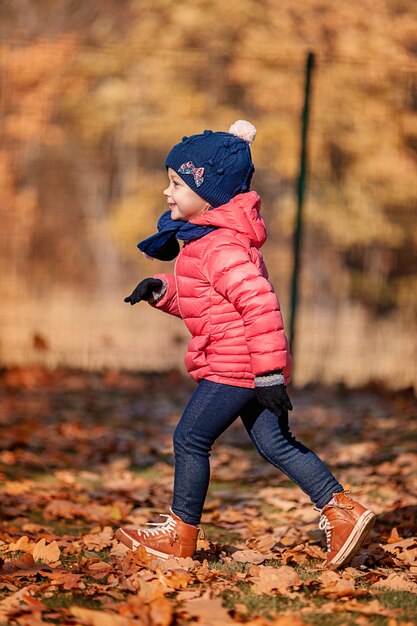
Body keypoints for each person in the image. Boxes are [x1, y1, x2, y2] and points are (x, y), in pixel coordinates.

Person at [116, 120, 376, 570]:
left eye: (177, 183)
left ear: (209, 192)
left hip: (237, 365)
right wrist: (164, 292)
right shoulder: (206, 243)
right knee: (274, 443)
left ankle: (180, 534)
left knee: (191, 438)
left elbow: (260, 306)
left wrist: (270, 374)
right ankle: (342, 509)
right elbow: (213, 307)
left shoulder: (221, 248)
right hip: (247, 362)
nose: (167, 192)